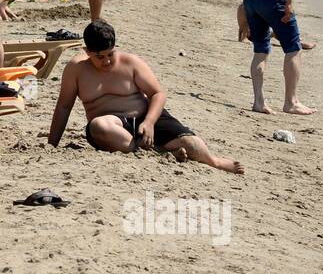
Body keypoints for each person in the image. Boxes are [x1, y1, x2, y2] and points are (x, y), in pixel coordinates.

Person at [47, 20, 242, 174]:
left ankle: (214, 161)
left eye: (110, 54)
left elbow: (158, 93)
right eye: (100, 57)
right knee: (100, 126)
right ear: (87, 51)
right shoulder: (76, 70)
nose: (106, 61)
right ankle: (156, 150)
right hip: (113, 129)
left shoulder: (130, 62)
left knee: (191, 144)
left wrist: (149, 122)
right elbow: (64, 107)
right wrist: (52, 144)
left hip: (144, 116)